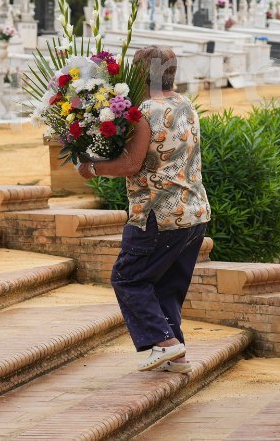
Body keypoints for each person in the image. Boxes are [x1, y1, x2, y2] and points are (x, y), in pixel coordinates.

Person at [77, 45, 210, 373]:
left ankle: (164, 343)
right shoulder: (184, 104)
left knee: (128, 278)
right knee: (167, 288)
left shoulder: (145, 111)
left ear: (141, 74)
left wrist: (92, 168)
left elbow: (130, 164)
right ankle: (176, 355)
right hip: (194, 212)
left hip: (157, 214)